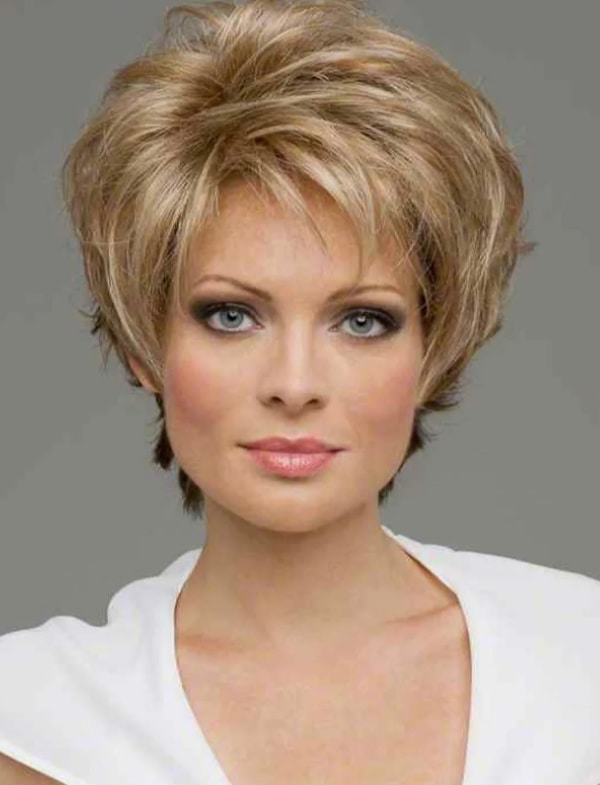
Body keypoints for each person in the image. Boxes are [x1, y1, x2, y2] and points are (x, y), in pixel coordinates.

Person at [1, 0, 599, 783]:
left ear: (433, 347)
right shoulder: (36, 719)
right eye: (231, 315)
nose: (294, 385)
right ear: (146, 344)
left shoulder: (579, 659)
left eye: (361, 321)